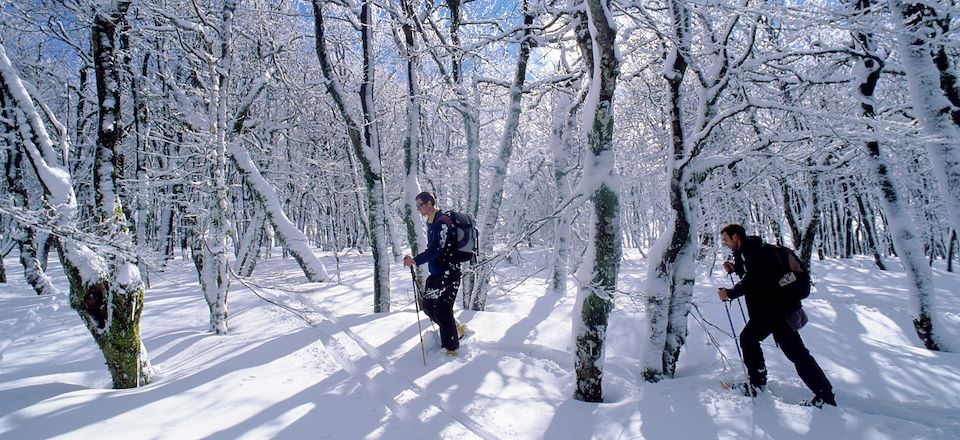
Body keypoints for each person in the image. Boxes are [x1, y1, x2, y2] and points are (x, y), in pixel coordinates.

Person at [717, 224, 837, 408]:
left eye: (726, 239)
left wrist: (730, 293)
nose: (725, 244)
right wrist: (735, 269)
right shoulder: (752, 251)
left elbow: (754, 280)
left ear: (736, 237)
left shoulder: (754, 252)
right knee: (749, 338)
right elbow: (759, 275)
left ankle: (825, 396)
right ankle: (757, 382)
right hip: (770, 311)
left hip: (778, 311)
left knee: (795, 353)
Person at [403, 191, 465, 355]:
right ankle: (455, 328)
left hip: (449, 273)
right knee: (428, 305)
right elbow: (434, 250)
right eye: (417, 206)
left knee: (442, 311)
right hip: (438, 273)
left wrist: (415, 260)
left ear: (429, 203)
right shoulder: (432, 222)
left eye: (420, 205)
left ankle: (452, 349)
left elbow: (436, 249)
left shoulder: (443, 221)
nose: (418, 209)